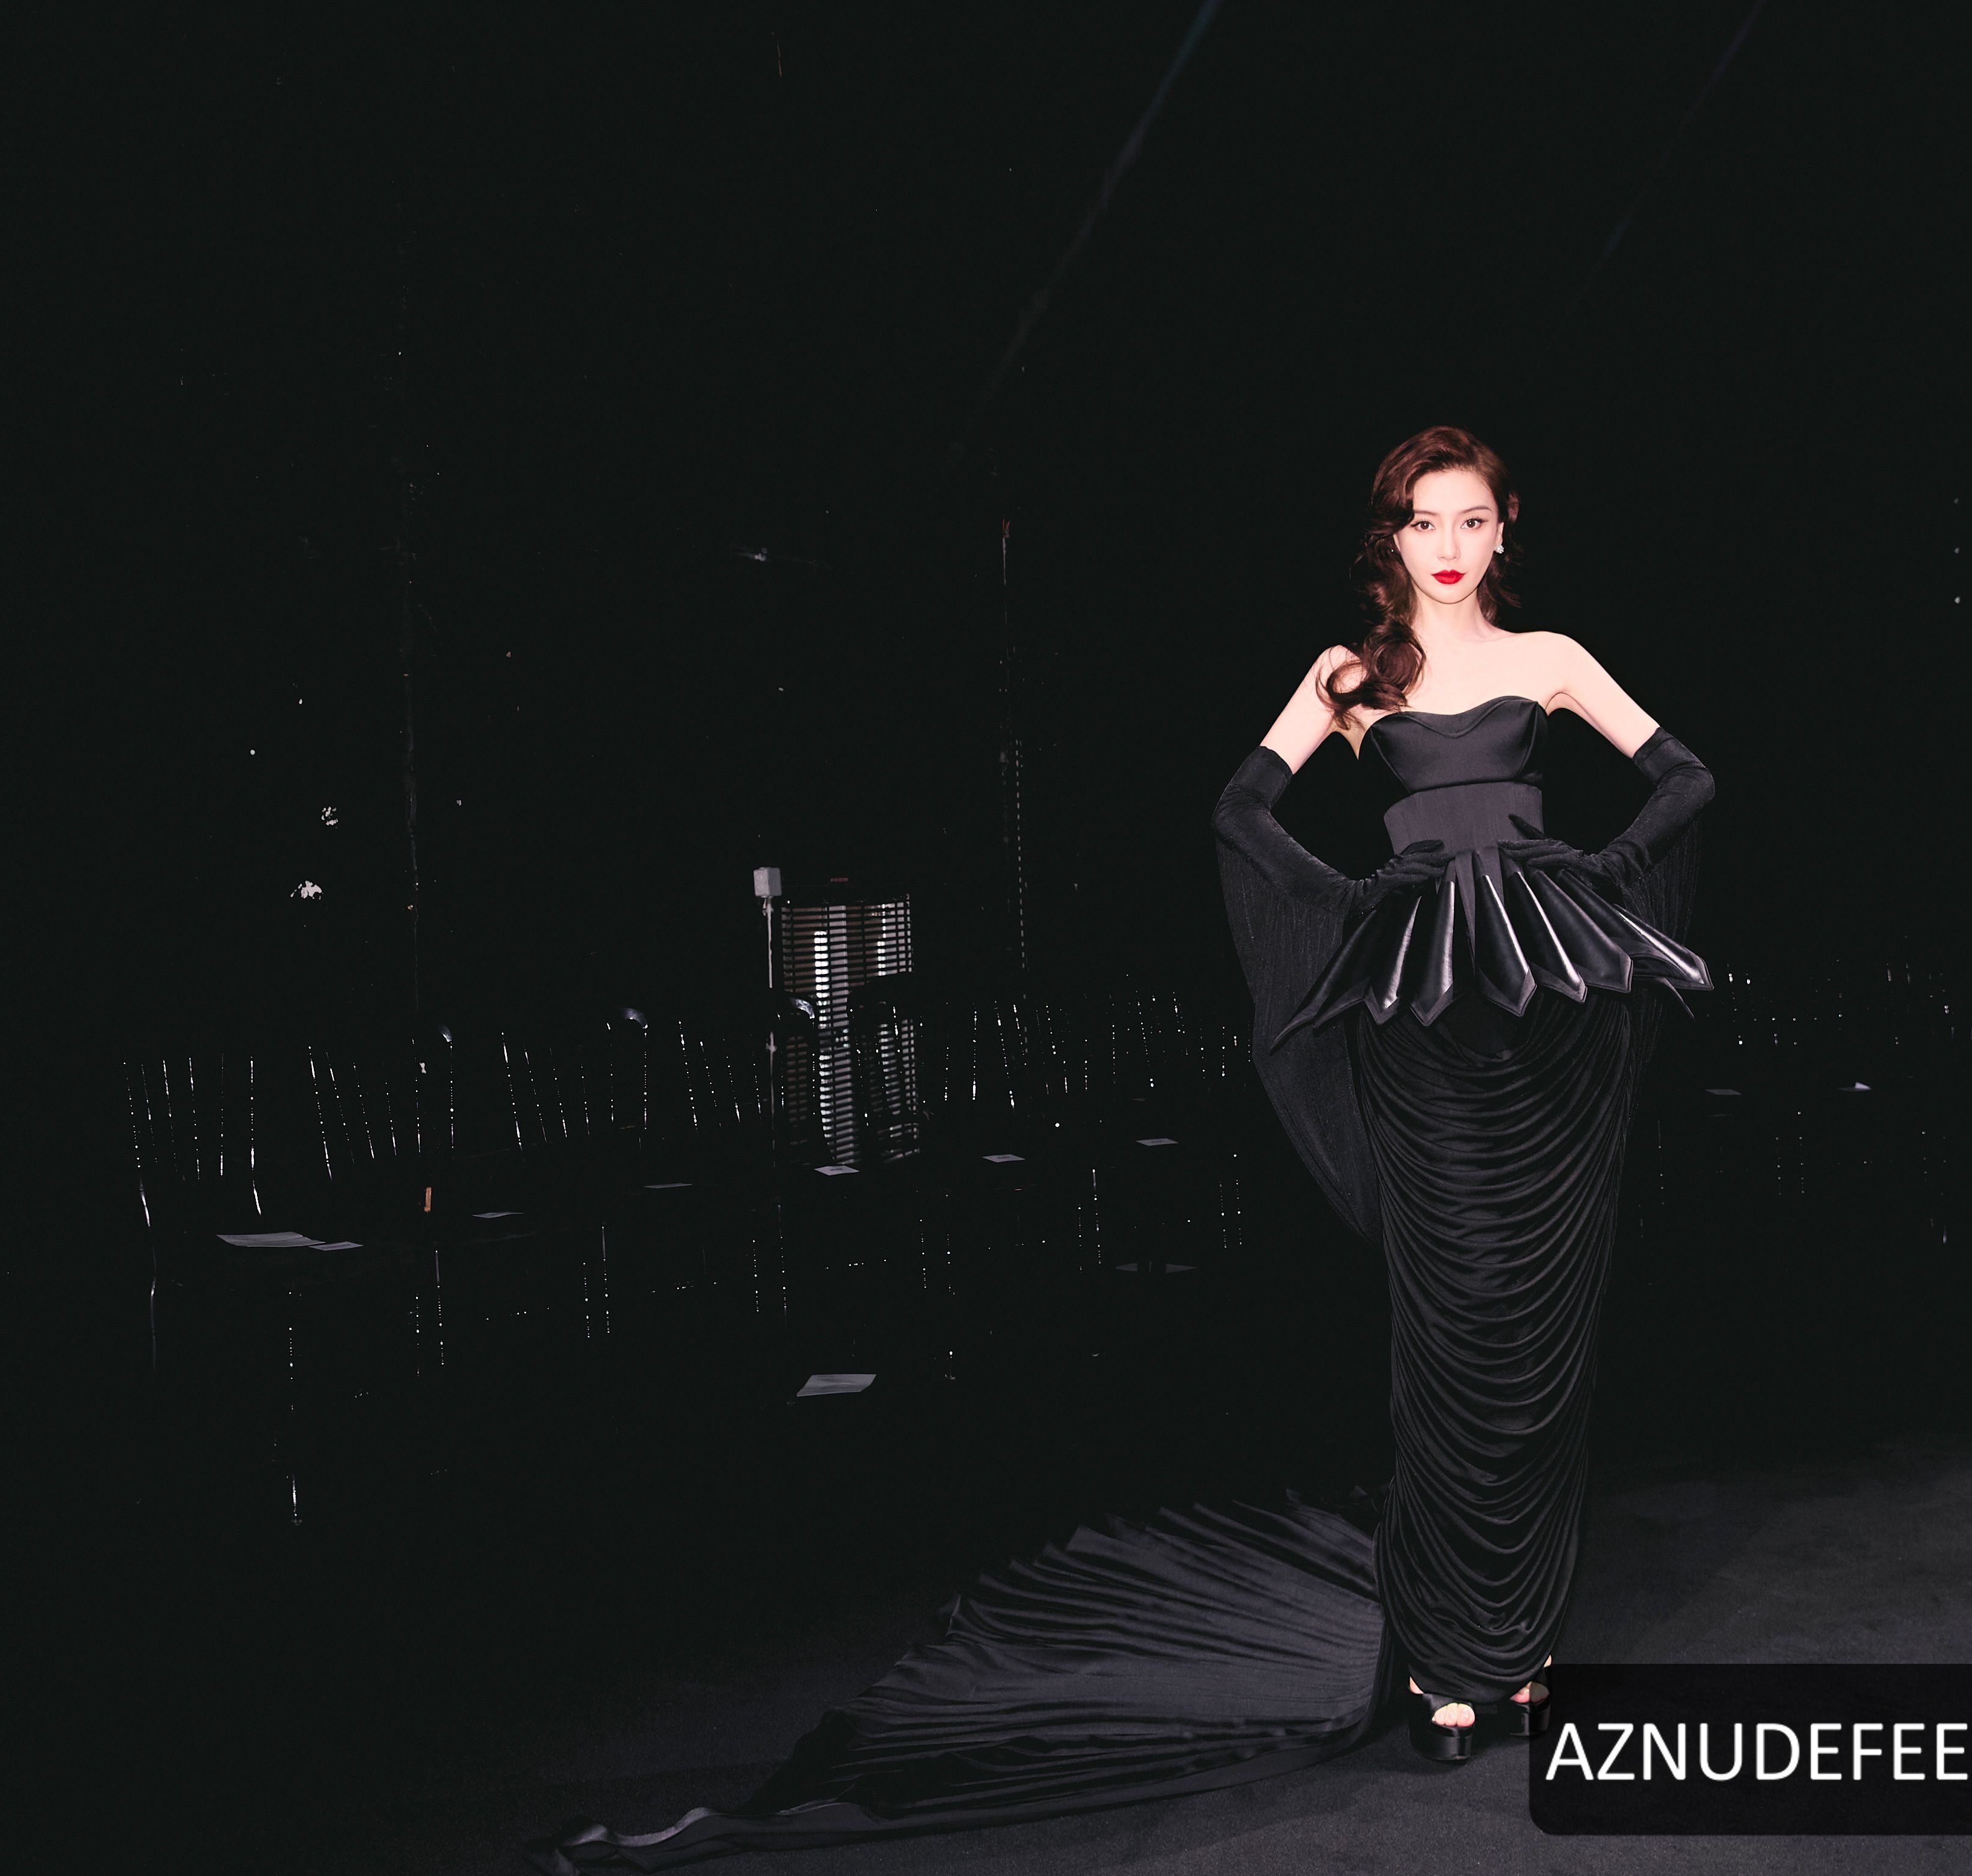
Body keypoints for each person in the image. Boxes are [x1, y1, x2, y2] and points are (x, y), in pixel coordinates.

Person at [536, 427, 1711, 1869]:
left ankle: (1516, 1649)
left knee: (1536, 1324)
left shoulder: (1549, 658)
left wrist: (1591, 878)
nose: (1450, 545)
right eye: (1424, 521)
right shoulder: (1351, 677)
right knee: (1449, 1325)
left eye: (1471, 519)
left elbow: (1686, 779)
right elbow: (1237, 809)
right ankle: (1449, 1657)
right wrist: (1361, 904)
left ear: (1504, 529)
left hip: (1534, 1025)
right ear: (1392, 536)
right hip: (1416, 1035)